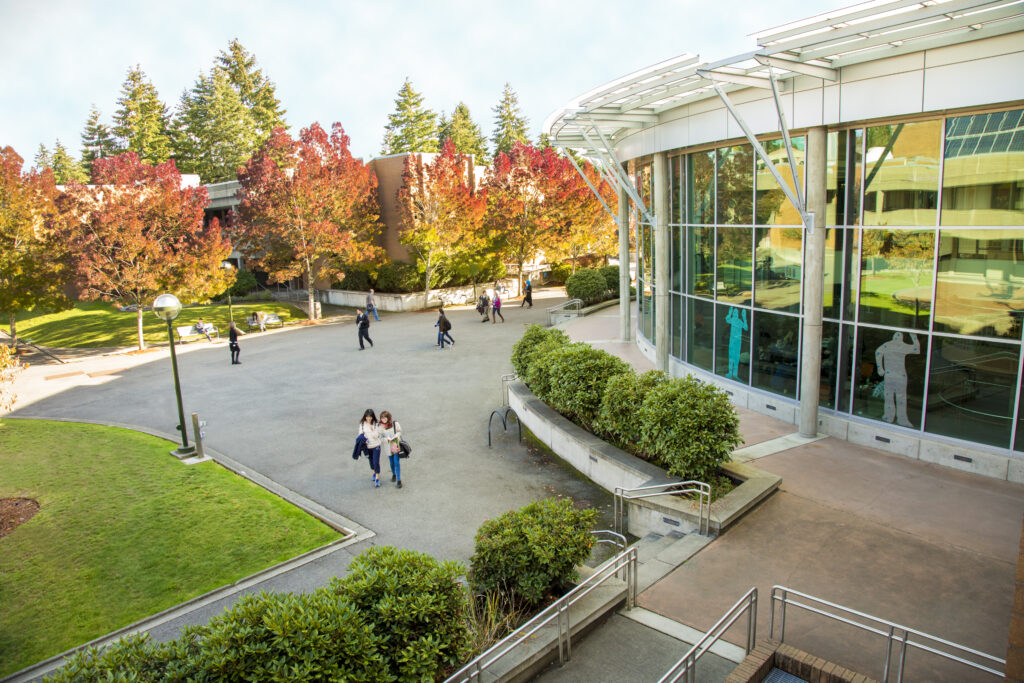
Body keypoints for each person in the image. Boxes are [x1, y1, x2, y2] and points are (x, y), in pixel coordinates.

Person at [379, 411, 403, 489]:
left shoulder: (395, 424)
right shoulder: (380, 427)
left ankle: (399, 480)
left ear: (388, 417)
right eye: (382, 418)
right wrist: (387, 439)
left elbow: (399, 431)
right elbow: (380, 437)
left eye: (385, 417)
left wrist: (396, 436)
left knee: (396, 462)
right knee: (391, 462)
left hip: (395, 444)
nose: (383, 419)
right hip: (388, 446)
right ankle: (393, 474)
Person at [359, 409, 383, 487]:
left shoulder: (376, 424)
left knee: (376, 462)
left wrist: (372, 430)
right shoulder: (362, 424)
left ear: (372, 417)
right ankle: (374, 472)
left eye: (370, 417)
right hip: (367, 446)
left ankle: (377, 478)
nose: (368, 418)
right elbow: (360, 434)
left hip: (376, 445)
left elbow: (377, 435)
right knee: (371, 461)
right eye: (367, 417)